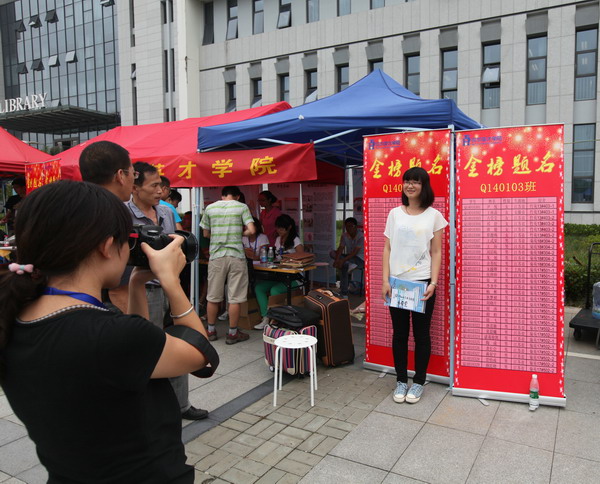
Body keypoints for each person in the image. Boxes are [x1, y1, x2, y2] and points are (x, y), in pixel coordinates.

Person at [0, 180, 214, 483]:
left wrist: (137, 283)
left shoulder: (15, 316)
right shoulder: (107, 335)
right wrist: (170, 281)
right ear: (105, 246)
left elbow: (135, 352)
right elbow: (200, 353)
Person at [127, 162, 208, 420]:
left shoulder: (165, 211)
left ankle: (182, 405)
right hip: (143, 290)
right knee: (148, 349)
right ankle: (148, 408)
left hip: (170, 286)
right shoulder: (122, 214)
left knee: (180, 340)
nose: (160, 191)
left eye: (161, 186)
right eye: (153, 186)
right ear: (135, 188)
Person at [382, 167, 447, 405]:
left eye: (416, 182)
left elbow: (437, 251)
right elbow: (387, 248)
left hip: (422, 284)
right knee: (399, 334)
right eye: (407, 181)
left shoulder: (434, 215)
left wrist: (434, 282)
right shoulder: (394, 214)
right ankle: (401, 380)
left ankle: (418, 381)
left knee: (421, 335)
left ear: (424, 186)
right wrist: (385, 280)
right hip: (397, 283)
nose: (410, 185)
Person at [201, 186, 255, 344]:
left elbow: (205, 233)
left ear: (222, 195)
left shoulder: (210, 208)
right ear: (237, 196)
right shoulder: (242, 207)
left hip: (216, 256)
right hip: (236, 256)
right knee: (234, 298)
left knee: (213, 297)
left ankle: (211, 331)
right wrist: (239, 233)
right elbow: (252, 230)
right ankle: (232, 333)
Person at [254, 214, 304, 330]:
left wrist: (288, 259)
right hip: (279, 275)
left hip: (294, 277)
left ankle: (273, 318)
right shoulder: (278, 239)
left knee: (275, 290)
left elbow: (302, 256)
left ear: (289, 227)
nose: (279, 231)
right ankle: (265, 316)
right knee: (259, 288)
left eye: (282, 228)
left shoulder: (295, 240)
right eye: (278, 228)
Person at [330, 217, 365, 298]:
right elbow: (341, 248)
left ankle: (344, 292)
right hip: (349, 257)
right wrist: (337, 260)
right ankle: (349, 264)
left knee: (344, 265)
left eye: (351, 226)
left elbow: (354, 253)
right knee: (332, 253)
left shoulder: (361, 236)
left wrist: (342, 260)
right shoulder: (344, 235)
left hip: (360, 259)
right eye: (347, 227)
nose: (348, 228)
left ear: (356, 227)